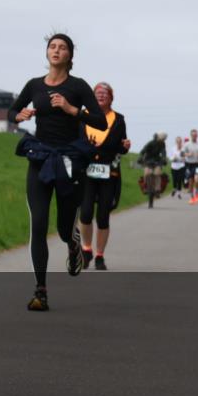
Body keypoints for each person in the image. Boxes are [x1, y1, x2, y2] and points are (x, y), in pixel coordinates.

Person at [10, 34, 108, 311]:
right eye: (52, 47)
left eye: (62, 48)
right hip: (41, 159)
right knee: (39, 223)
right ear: (47, 53)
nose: (56, 51)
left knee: (64, 229)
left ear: (70, 55)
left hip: (69, 161)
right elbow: (12, 111)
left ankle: (73, 243)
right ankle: (40, 291)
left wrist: (71, 109)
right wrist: (18, 115)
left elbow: (100, 122)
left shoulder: (78, 86)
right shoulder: (34, 85)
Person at [77, 82, 130, 271]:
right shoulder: (82, 116)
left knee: (103, 216)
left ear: (111, 98)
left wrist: (125, 147)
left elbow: (121, 146)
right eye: (98, 92)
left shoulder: (118, 119)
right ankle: (86, 249)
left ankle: (100, 255)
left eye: (105, 93)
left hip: (109, 173)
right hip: (86, 172)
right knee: (85, 213)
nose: (101, 95)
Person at [138, 132, 168, 208]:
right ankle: (145, 186)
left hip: (157, 161)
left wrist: (164, 158)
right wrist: (140, 157)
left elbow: (163, 152)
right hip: (148, 160)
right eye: (162, 139)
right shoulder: (151, 143)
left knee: (157, 173)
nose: (163, 140)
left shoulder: (162, 144)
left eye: (164, 139)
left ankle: (158, 190)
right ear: (158, 137)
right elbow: (143, 150)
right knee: (147, 173)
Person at [182, 129, 198, 204]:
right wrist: (188, 154)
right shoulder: (187, 144)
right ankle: (192, 196)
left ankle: (196, 192)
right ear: (191, 135)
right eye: (193, 135)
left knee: (196, 179)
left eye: (195, 135)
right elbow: (182, 153)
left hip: (197, 164)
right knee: (191, 180)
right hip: (189, 164)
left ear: (197, 136)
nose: (194, 136)